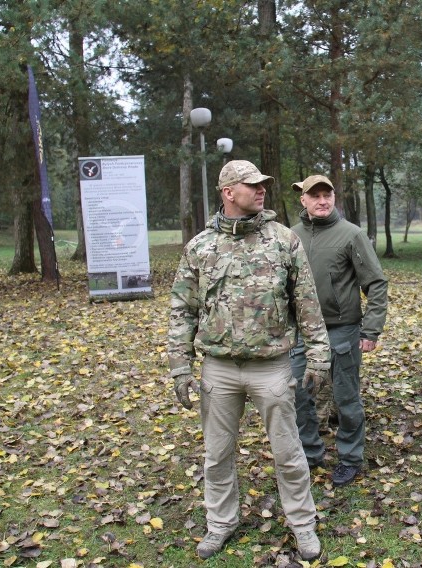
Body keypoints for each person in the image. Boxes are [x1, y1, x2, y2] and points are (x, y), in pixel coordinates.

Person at [168, 160, 330, 561]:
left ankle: (302, 525)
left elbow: (307, 303)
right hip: (219, 369)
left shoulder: (283, 240)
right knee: (217, 453)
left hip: (272, 367)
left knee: (289, 452)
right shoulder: (200, 247)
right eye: (252, 185)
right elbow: (182, 309)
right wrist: (180, 365)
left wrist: (319, 357)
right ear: (228, 191)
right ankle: (220, 523)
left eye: (263, 184)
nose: (261, 190)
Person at [289, 174, 389, 487]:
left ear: (334, 197)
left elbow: (376, 283)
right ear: (303, 200)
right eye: (315, 196)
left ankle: (350, 458)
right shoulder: (288, 237)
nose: (322, 201)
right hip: (302, 334)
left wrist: (370, 330)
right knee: (297, 394)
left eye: (327, 195)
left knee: (346, 399)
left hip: (342, 331)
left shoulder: (351, 235)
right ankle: (310, 453)